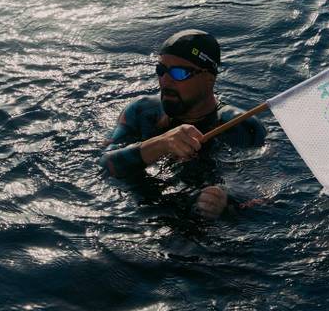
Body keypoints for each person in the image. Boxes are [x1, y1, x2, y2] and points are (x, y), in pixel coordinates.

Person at [101, 29, 266, 219]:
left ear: (209, 78)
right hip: (139, 216)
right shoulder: (142, 111)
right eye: (161, 70)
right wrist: (162, 144)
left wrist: (228, 203)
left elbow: (263, 194)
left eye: (179, 73)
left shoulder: (240, 126)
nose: (165, 80)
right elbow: (106, 165)